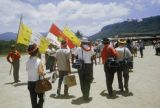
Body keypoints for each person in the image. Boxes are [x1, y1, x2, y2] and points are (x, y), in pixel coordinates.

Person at [26, 43, 45, 108]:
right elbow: (40, 72)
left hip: (30, 83)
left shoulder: (28, 61)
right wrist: (43, 72)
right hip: (38, 82)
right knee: (41, 98)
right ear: (37, 51)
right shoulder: (39, 60)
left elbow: (28, 70)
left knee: (33, 100)